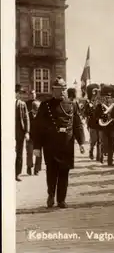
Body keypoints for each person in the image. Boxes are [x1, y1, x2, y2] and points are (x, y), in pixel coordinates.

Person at [33, 77, 85, 208]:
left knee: (64, 172)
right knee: (51, 171)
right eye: (59, 89)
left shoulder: (72, 104)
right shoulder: (45, 105)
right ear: (53, 90)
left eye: (64, 89)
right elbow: (37, 127)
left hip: (66, 144)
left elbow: (77, 125)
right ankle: (51, 195)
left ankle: (61, 199)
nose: (62, 91)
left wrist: (81, 142)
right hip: (50, 144)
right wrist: (37, 146)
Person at [94, 84, 114, 166]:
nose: (108, 99)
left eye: (109, 97)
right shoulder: (100, 106)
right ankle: (101, 157)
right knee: (103, 143)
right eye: (106, 97)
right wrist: (102, 117)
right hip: (102, 127)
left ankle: (110, 161)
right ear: (103, 97)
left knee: (111, 143)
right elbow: (96, 116)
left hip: (112, 126)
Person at [15, 84, 30, 181]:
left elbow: (26, 118)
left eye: (20, 93)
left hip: (19, 132)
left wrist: (27, 132)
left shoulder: (22, 104)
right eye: (18, 93)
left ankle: (17, 173)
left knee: (19, 154)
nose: (19, 95)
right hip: (8, 132)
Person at [25, 90, 41, 176]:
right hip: (30, 137)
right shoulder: (28, 115)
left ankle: (37, 169)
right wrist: (26, 133)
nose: (36, 112)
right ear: (32, 109)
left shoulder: (41, 116)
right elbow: (26, 125)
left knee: (38, 153)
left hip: (38, 137)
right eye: (35, 111)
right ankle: (29, 167)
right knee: (30, 152)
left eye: (37, 110)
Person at [83, 84, 100, 160]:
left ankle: (99, 155)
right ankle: (91, 151)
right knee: (93, 140)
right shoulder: (88, 102)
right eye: (94, 93)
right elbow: (85, 112)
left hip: (100, 123)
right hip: (92, 123)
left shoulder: (100, 102)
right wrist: (91, 109)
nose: (95, 96)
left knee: (100, 140)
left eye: (96, 93)